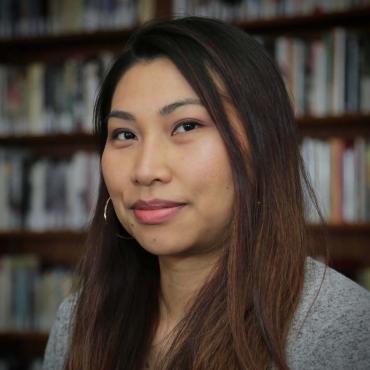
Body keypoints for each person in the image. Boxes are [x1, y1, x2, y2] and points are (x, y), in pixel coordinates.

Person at [42, 17, 370, 370]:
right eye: (124, 134)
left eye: (186, 126)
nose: (145, 170)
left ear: (261, 148)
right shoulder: (78, 321)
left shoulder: (339, 327)